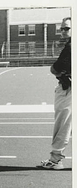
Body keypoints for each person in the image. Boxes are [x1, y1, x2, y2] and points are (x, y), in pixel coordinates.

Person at [40, 17, 71, 170]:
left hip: (69, 89)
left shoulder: (71, 47)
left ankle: (56, 159)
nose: (63, 31)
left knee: (63, 123)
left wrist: (61, 74)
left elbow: (55, 69)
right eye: (62, 28)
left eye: (67, 28)